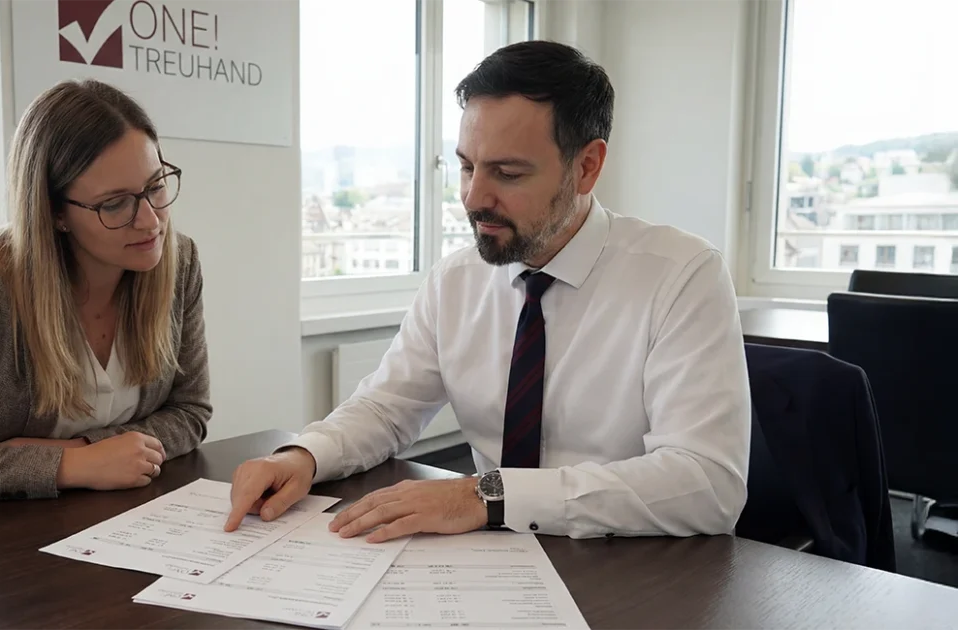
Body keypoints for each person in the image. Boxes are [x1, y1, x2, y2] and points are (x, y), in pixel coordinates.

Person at [227, 41, 749, 541]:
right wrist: (303, 456)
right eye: (466, 166)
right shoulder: (456, 280)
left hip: (634, 569)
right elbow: (387, 408)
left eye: (507, 172)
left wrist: (486, 496)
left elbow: (706, 483)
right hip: (489, 564)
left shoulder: (682, 276)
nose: (474, 198)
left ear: (586, 166)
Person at [0, 79, 209, 504]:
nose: (150, 221)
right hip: (0, 537)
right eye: (114, 204)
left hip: (126, 521)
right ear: (55, 214)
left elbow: (190, 412)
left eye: (156, 186)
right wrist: (72, 466)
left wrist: (89, 450)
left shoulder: (180, 262)